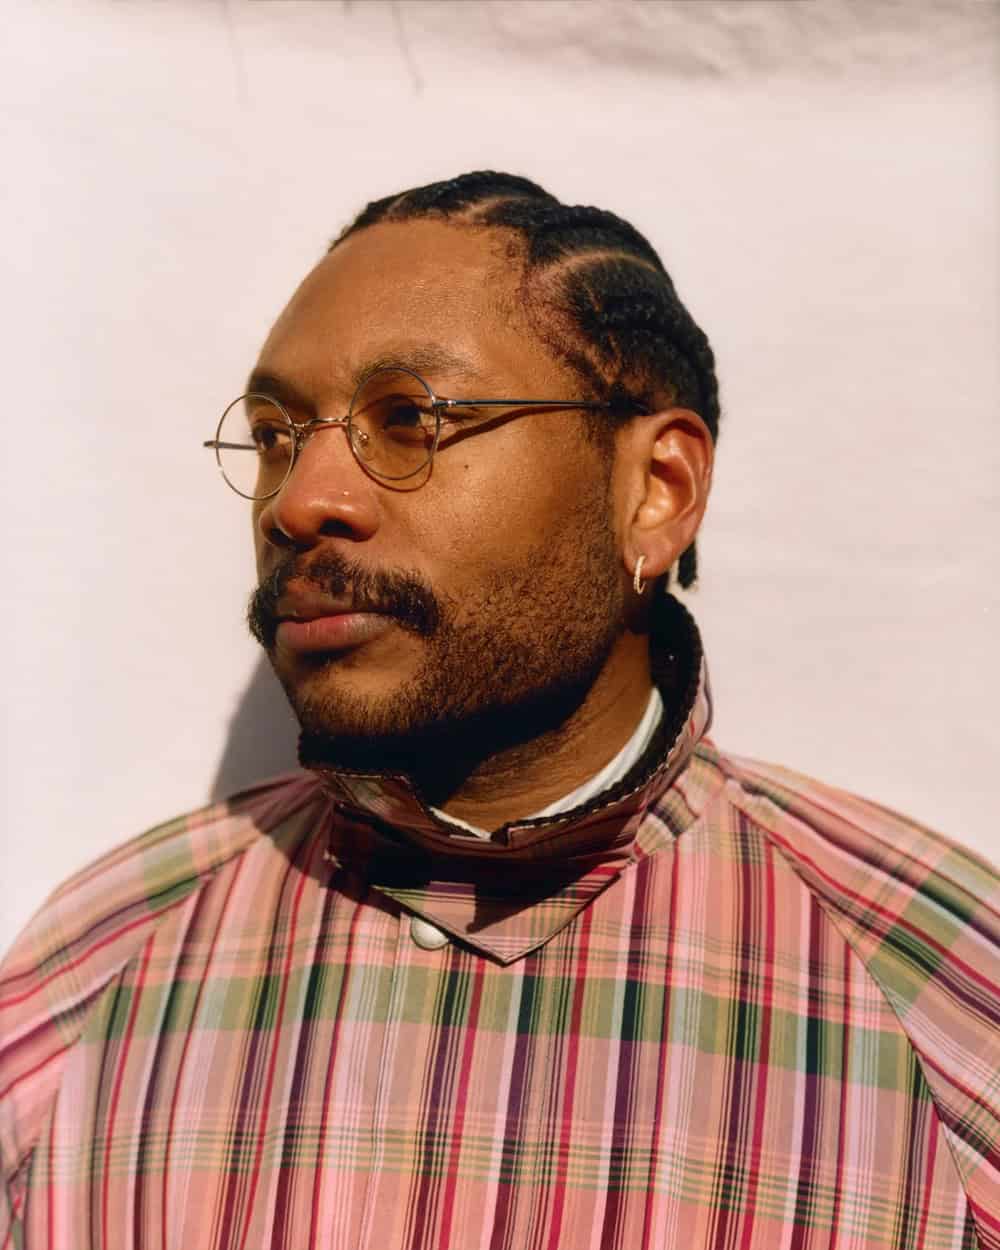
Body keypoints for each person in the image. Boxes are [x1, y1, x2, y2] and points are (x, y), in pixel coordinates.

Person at [1, 171, 997, 1250]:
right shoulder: (89, 974)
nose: (300, 501)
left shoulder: (944, 1006)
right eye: (277, 434)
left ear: (656, 490)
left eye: (409, 418)